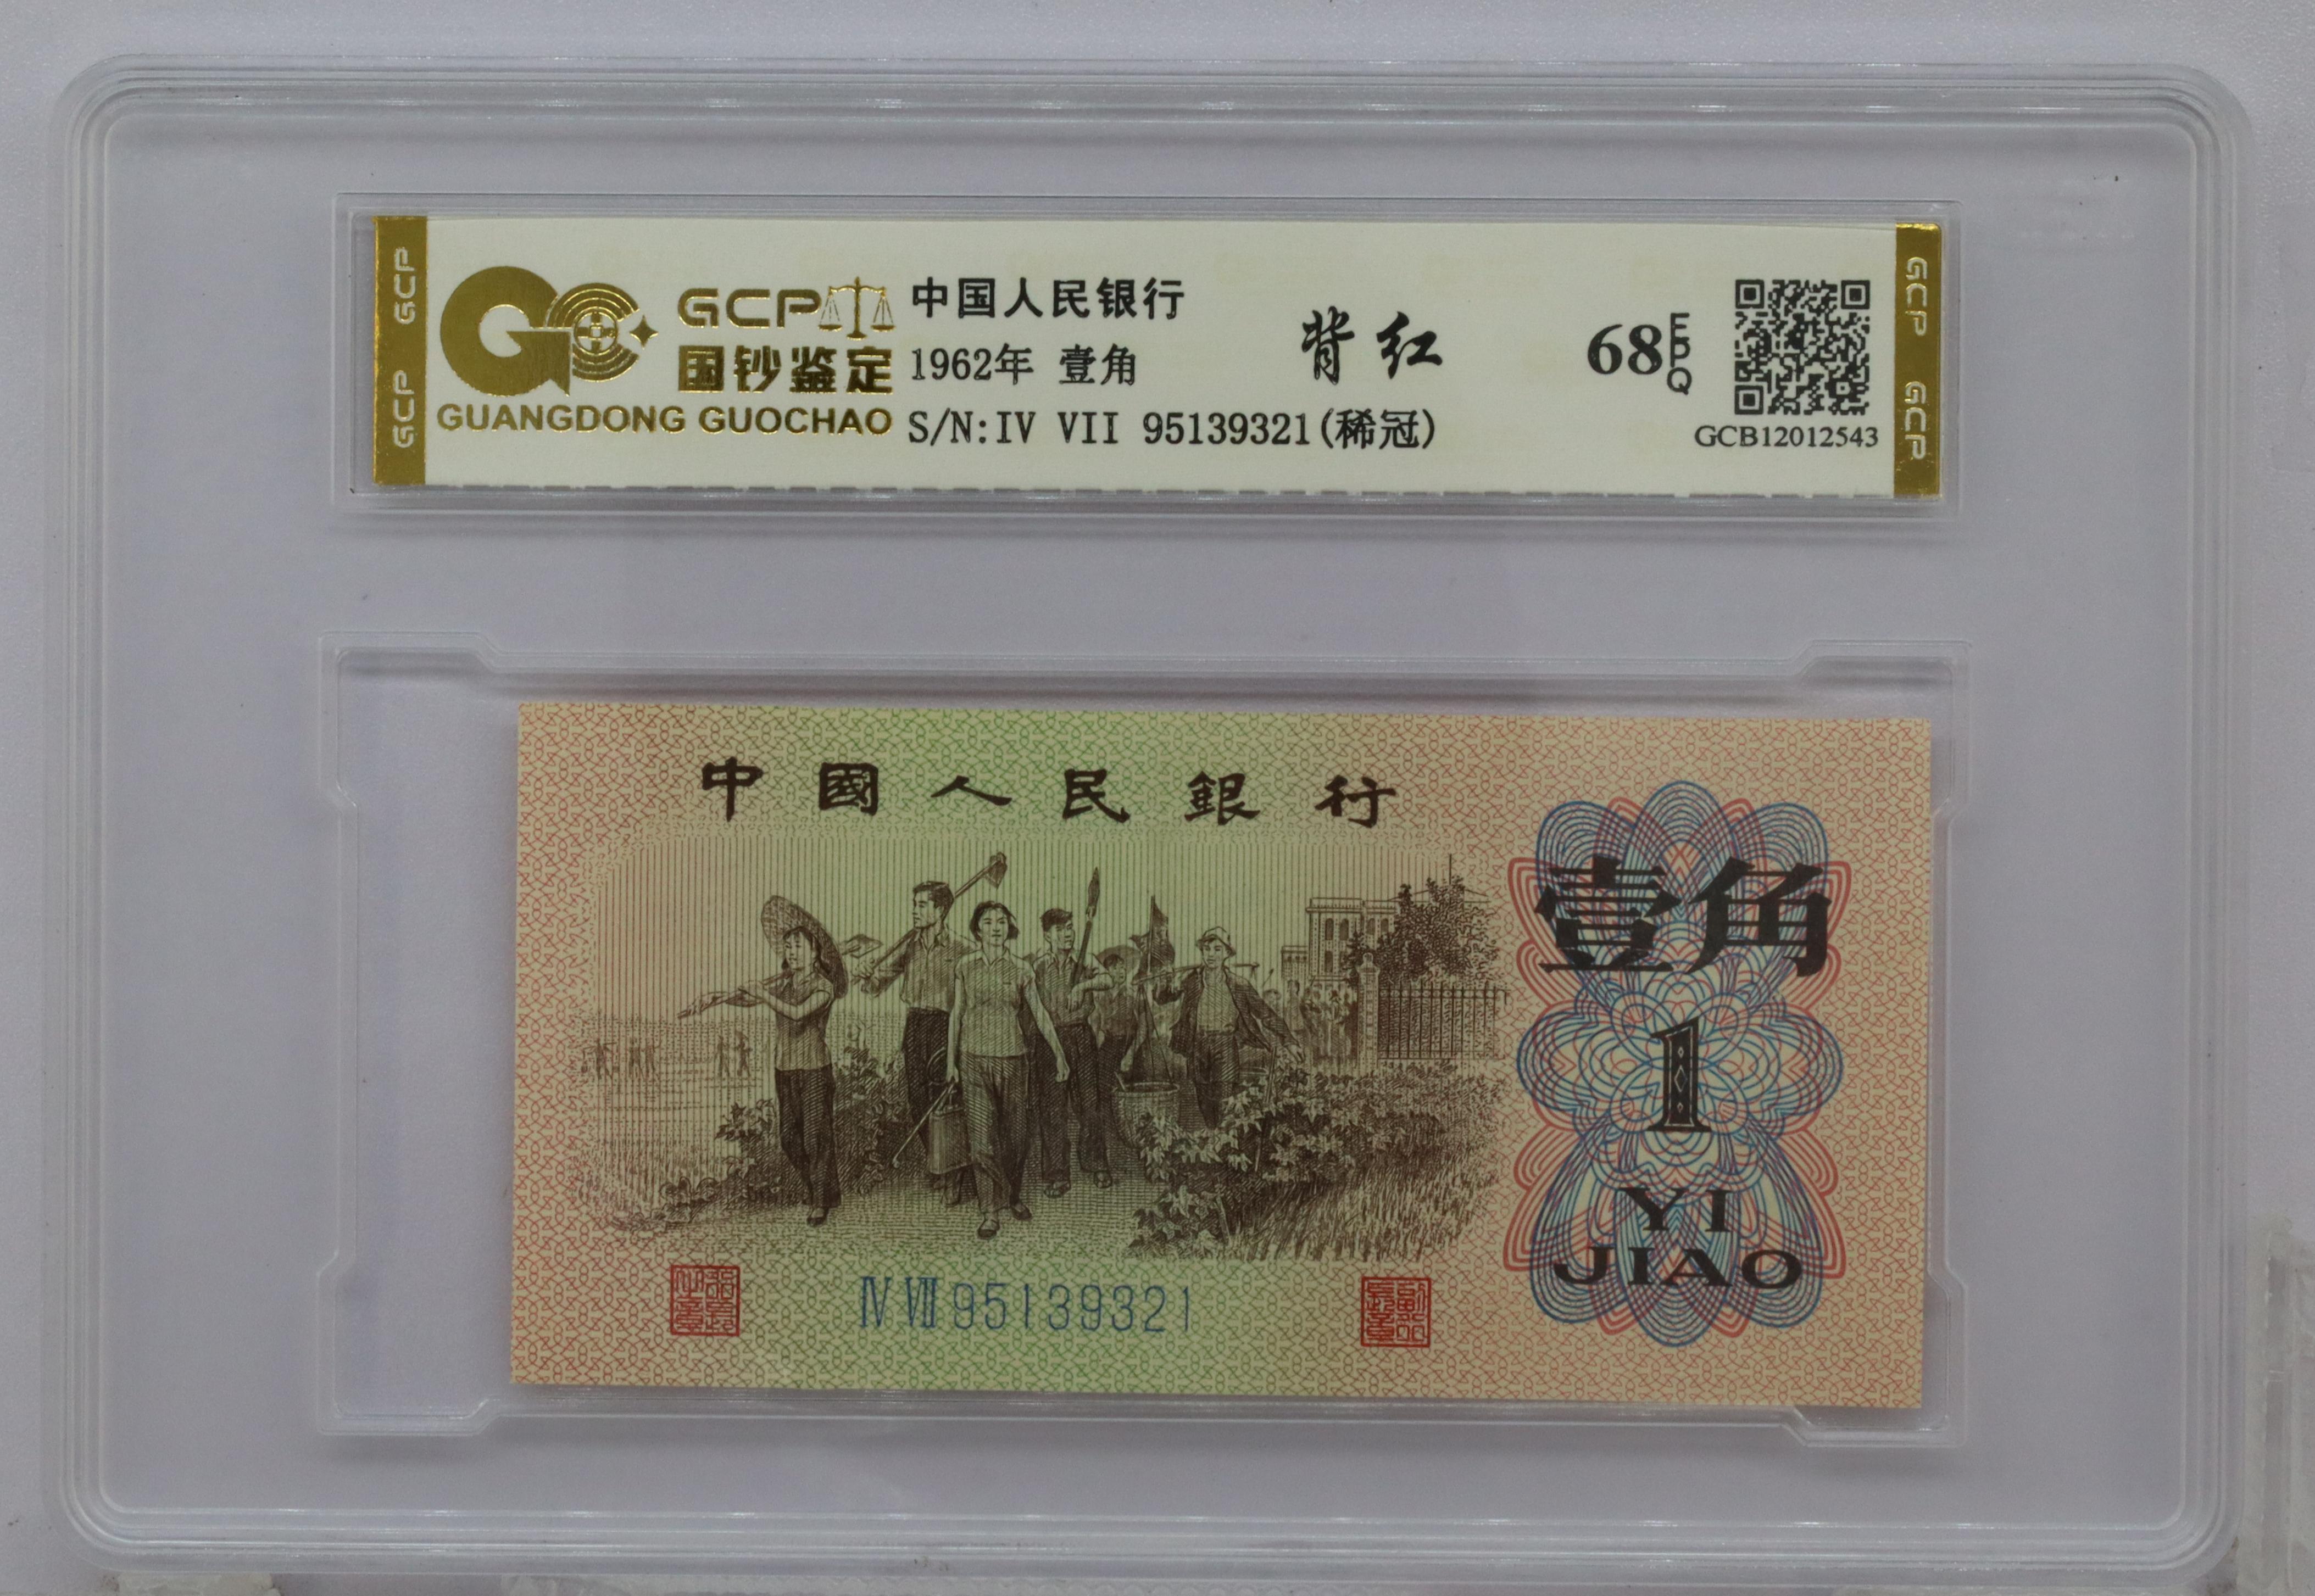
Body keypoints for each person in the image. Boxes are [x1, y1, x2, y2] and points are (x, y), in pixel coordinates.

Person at [689, 897, 849, 1225]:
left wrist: (763, 995)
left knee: (816, 1138)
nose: (792, 952)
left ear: (815, 953)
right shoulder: (784, 981)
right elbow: (747, 998)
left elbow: (798, 1013)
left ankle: (820, 1201)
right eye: (788, 947)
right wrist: (716, 999)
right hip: (785, 1069)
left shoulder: (824, 986)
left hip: (815, 1070)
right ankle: (823, 1191)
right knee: (790, 1139)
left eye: (799, 946)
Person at [945, 901, 1071, 1240]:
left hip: (1014, 1061)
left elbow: (1041, 1014)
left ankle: (1013, 1194)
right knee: (981, 1141)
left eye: (1002, 922)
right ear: (978, 929)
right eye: (989, 922)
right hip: (973, 1061)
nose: (996, 928)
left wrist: (1059, 1055)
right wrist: (950, 1063)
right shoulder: (965, 966)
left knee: (1016, 1137)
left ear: (1009, 928)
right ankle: (990, 1210)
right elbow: (957, 1014)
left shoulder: (1021, 969)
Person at [856, 879, 968, 1205]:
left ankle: (953, 1173)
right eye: (914, 904)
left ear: (940, 910)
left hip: (946, 1026)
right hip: (915, 1026)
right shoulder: (910, 946)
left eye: (922, 905)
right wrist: (866, 973)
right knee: (917, 1100)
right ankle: (938, 1160)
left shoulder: (962, 949)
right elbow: (876, 986)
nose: (915, 911)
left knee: (945, 1100)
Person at [1154, 927, 1301, 1128]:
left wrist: (1289, 1041)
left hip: (1225, 1046)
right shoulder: (1191, 981)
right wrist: (1164, 980)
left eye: (1217, 949)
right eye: (1207, 949)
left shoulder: (1238, 984)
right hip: (1198, 1046)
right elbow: (1162, 999)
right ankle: (1213, 1136)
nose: (1211, 955)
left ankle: (1223, 1139)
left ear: (1227, 954)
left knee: (1225, 1101)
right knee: (1205, 1102)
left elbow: (1265, 1013)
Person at [1028, 909, 1114, 1193]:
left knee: (1090, 1104)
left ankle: (1097, 1164)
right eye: (1060, 930)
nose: (1067, 934)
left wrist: (1083, 986)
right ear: (1047, 936)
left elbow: (1108, 980)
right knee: (1053, 1109)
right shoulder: (1038, 966)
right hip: (1050, 1039)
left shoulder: (1085, 959)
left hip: (1081, 1036)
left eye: (1069, 928)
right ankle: (1058, 1174)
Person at [1086, 945, 1146, 1151]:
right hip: (1109, 1045)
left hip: (1130, 1045)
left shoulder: (1134, 994)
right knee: (1103, 1091)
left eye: (1122, 968)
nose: (1120, 972)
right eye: (1115, 968)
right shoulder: (1100, 996)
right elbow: (1097, 1024)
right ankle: (1110, 1136)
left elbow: (1144, 1028)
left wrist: (1130, 1054)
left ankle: (1136, 1136)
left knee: (1132, 1094)